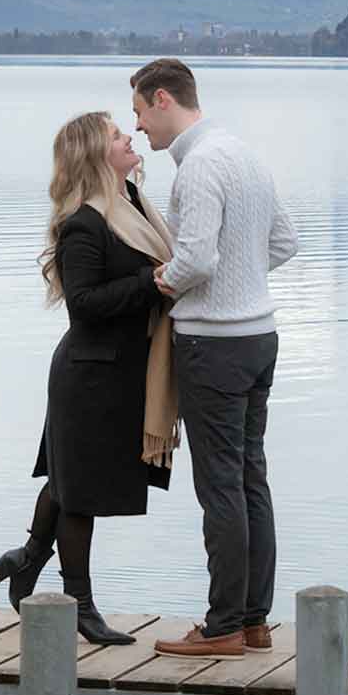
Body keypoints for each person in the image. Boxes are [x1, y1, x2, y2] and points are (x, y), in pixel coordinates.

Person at [0, 111, 181, 645]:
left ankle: (27, 560)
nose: (130, 138)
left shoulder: (133, 206)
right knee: (79, 492)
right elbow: (84, 305)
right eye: (119, 136)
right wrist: (153, 283)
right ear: (98, 155)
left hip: (121, 374)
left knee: (70, 478)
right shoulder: (86, 223)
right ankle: (79, 604)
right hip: (89, 376)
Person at [130, 59, 299, 658]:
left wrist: (161, 280)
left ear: (162, 99)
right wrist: (244, 280)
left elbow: (196, 260)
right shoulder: (244, 154)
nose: (140, 128)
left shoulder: (199, 166)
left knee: (220, 485)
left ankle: (223, 625)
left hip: (213, 344)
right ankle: (254, 620)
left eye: (140, 114)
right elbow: (285, 242)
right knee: (252, 474)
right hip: (260, 337)